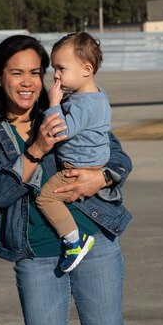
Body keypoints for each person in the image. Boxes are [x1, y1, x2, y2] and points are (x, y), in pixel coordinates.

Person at [0, 34, 134, 325]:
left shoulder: (66, 107)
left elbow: (118, 157)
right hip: (37, 253)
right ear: (0, 75)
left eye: (36, 71)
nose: (28, 82)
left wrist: (101, 177)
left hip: (94, 240)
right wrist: (37, 148)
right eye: (17, 73)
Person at [36, 32, 111, 272]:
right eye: (54, 68)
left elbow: (60, 132)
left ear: (86, 69)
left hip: (77, 167)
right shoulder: (96, 95)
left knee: (46, 198)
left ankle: (73, 242)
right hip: (91, 163)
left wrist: (54, 104)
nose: (56, 75)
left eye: (61, 68)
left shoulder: (84, 104)